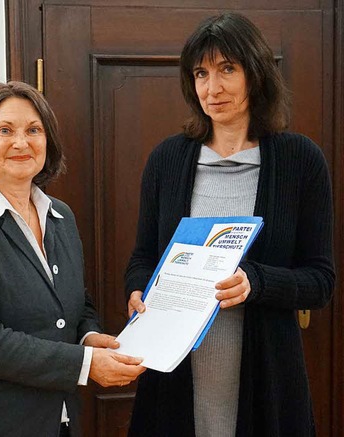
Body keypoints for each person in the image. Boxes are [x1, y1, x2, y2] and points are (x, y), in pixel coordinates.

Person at [124, 13, 334, 437]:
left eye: (227, 69)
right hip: (174, 378)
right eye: (201, 73)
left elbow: (320, 280)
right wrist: (138, 290)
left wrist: (255, 282)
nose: (211, 88)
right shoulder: (167, 160)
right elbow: (143, 258)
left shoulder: (300, 161)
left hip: (268, 383)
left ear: (255, 74)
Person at [0, 81, 146, 437]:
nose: (21, 142)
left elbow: (75, 302)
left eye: (34, 130)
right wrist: (84, 363)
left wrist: (88, 336)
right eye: (5, 130)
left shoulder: (60, 215)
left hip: (62, 419)